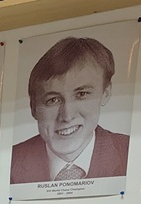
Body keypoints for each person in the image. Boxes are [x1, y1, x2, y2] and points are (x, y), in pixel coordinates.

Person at [11, 37, 129, 183]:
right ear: (33, 107)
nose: (67, 116)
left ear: (105, 93)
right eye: (53, 100)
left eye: (82, 94)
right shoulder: (6, 163)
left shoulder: (135, 153)